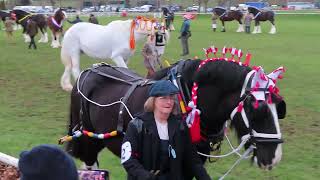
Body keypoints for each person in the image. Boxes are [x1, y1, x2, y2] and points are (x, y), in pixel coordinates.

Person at [121, 80, 211, 180]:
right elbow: (128, 160)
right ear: (153, 101)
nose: (168, 102)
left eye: (171, 98)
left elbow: (193, 161)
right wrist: (146, 177)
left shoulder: (180, 126)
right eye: (163, 98)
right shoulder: (137, 125)